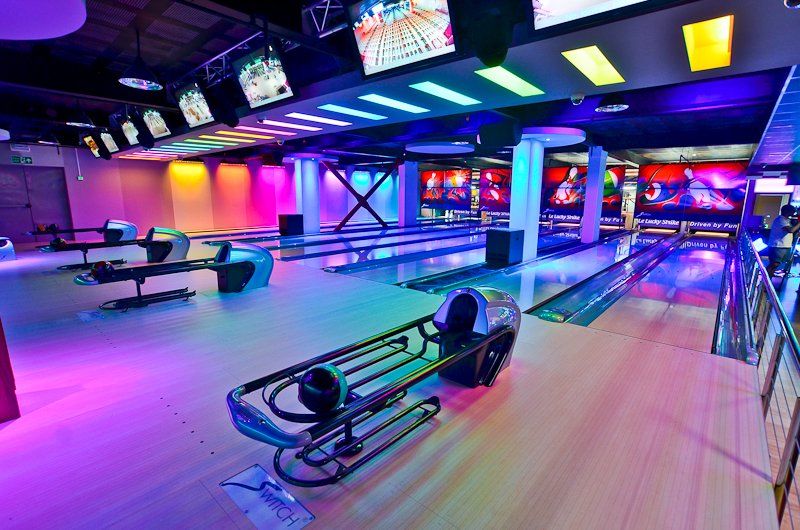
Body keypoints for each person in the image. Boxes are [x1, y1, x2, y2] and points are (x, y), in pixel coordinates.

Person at [767, 204, 800, 276]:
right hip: (778, 246)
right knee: (775, 263)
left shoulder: (786, 220)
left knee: (776, 264)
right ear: (787, 212)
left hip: (783, 245)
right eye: (792, 212)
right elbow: (790, 230)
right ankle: (766, 277)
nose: (793, 214)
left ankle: (769, 278)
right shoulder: (780, 220)